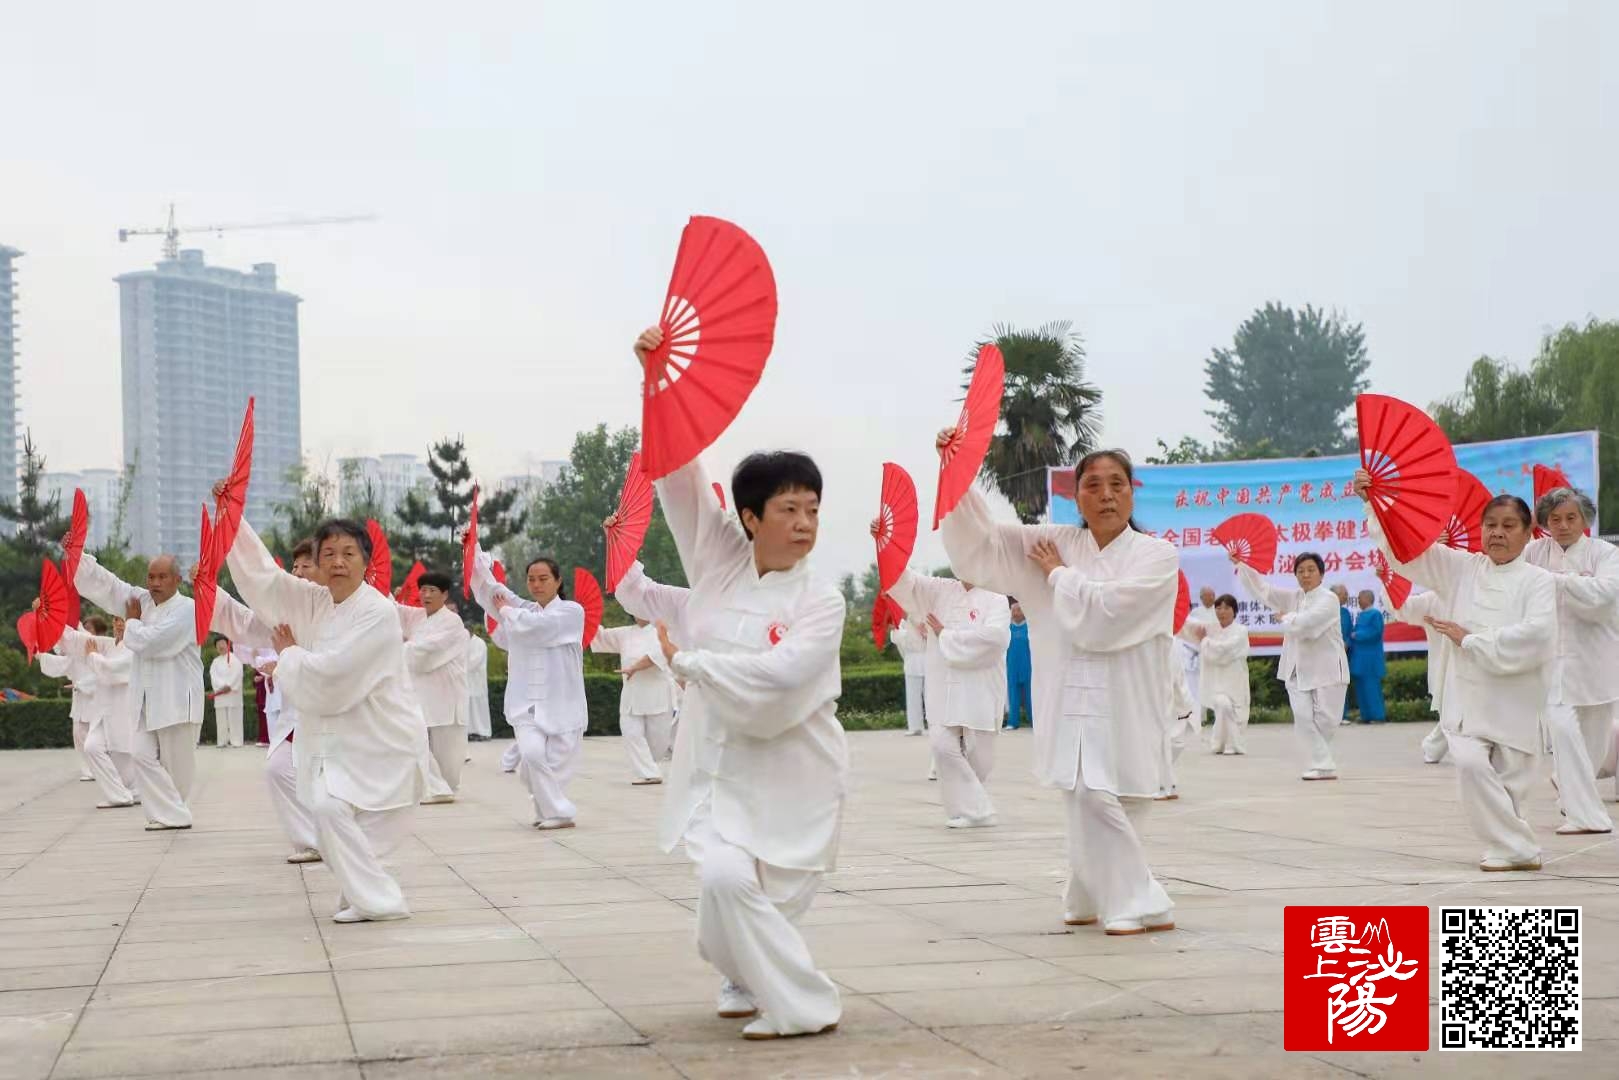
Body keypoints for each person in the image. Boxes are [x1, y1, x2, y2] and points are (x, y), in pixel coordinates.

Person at [627, 325, 846, 1041]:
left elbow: (782, 679)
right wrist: (656, 382)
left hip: (795, 766)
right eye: (787, 509)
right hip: (718, 765)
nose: (804, 523)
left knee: (773, 896)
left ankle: (744, 971)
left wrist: (697, 664)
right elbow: (678, 476)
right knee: (723, 880)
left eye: (811, 508)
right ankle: (802, 1004)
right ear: (749, 517)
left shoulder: (822, 600)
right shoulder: (716, 558)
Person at [940, 445, 1177, 936]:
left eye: (1117, 484)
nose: (1106, 496)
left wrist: (1058, 576)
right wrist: (957, 476)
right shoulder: (1055, 540)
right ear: (1075, 495)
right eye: (1093, 485)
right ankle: (1130, 897)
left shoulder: (1157, 555)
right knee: (1085, 791)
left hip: (1127, 697)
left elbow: (1108, 616)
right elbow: (983, 548)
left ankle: (1098, 891)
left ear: (1133, 492)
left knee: (1120, 799)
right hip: (1070, 696)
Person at [225, 513, 427, 920]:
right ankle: (371, 897)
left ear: (365, 561)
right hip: (338, 737)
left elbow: (335, 675)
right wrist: (231, 520)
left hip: (381, 735)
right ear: (316, 561)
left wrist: (289, 655)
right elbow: (266, 579)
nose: (338, 561)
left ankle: (374, 899)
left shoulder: (377, 612)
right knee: (326, 810)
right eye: (329, 553)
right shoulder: (316, 602)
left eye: (348, 553)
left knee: (337, 814)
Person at [1357, 473, 1555, 871]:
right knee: (1468, 761)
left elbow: (1538, 634)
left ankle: (1511, 846)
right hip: (1467, 692)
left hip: (1516, 694)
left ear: (1528, 532)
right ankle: (1517, 844)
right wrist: (1373, 503)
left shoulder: (1539, 581)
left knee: (1510, 781)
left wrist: (1472, 640)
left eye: (1508, 526)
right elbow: (1407, 552)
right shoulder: (1461, 568)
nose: (1497, 534)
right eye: (1491, 525)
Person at [208, 538, 324, 864]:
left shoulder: (334, 608)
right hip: (297, 712)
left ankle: (328, 838)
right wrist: (209, 589)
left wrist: (287, 657)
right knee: (280, 768)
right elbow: (244, 622)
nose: (298, 573)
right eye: (295, 567)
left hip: (329, 710)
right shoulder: (286, 612)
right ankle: (314, 840)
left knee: (302, 773)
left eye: (306, 566)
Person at [72, 552, 202, 830]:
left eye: (162, 577)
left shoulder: (187, 609)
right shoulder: (141, 601)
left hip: (177, 699)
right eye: (151, 577)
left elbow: (151, 642)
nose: (155, 582)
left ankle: (174, 813)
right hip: (146, 700)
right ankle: (172, 814)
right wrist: (78, 556)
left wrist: (131, 622)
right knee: (140, 754)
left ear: (177, 580)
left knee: (178, 768)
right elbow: (109, 586)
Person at [881, 557, 1011, 829]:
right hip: (944, 684)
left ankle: (971, 805)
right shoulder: (938, 589)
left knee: (981, 757)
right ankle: (975, 810)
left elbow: (996, 638)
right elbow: (907, 582)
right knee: (941, 744)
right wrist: (885, 546)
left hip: (981, 685)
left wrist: (946, 635)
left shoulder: (996, 598)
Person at [469, 550, 587, 830]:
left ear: (558, 581)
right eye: (531, 579)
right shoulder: (523, 609)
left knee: (549, 768)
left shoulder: (571, 612)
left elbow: (539, 628)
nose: (536, 584)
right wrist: (474, 553)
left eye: (543, 578)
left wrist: (507, 611)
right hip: (527, 704)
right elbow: (491, 592)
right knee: (532, 756)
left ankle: (548, 812)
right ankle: (560, 812)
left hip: (562, 704)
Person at [1527, 486, 1619, 835]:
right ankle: (1586, 816)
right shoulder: (1533, 553)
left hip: (1597, 658)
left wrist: (1556, 582)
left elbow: (1604, 595)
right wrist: (1576, 583)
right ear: (1544, 522)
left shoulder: (1604, 553)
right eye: (1555, 519)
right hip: (1550, 659)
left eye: (1570, 517)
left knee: (1593, 743)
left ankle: (1571, 795)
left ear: (1585, 519)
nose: (1563, 525)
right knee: (1562, 729)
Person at [1235, 553, 1349, 780]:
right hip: (1296, 669)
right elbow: (1263, 591)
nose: (1305, 575)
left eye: (1310, 570)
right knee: (1303, 716)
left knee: (1327, 720)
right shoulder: (1293, 597)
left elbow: (1308, 625)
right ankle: (1323, 764)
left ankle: (1321, 761)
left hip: (1327, 669)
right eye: (1300, 571)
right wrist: (1243, 564)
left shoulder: (1329, 599)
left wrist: (1287, 618)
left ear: (1321, 574)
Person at [44, 617, 138, 805]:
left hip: (123, 709)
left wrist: (93, 656)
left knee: (123, 753)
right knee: (92, 747)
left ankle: (132, 792)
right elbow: (76, 640)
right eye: (117, 620)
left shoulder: (135, 649)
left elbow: (113, 671)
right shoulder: (110, 644)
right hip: (104, 711)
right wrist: (47, 616)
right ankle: (121, 795)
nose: (119, 624)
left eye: (124, 620)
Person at [396, 571, 471, 799]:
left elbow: (426, 652)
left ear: (444, 595)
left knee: (448, 756)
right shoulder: (418, 617)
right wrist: (384, 593)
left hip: (447, 693)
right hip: (421, 692)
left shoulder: (452, 622)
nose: (426, 595)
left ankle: (444, 787)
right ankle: (436, 788)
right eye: (423, 590)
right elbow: (394, 611)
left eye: (432, 591)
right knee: (413, 737)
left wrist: (399, 649)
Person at [591, 616, 679, 785]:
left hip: (657, 695)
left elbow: (656, 656)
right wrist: (587, 618)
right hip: (631, 695)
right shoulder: (625, 633)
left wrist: (634, 667)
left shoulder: (661, 631)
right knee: (631, 732)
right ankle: (650, 773)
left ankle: (651, 766)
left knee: (658, 744)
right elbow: (600, 636)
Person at [1381, 584, 1452, 764]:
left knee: (1458, 717)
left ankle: (1433, 747)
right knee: (1453, 717)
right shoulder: (1432, 599)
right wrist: (1389, 582)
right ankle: (1433, 748)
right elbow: (1401, 608)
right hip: (1445, 670)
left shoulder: (1477, 591)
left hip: (1477, 668)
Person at [1190, 594, 1250, 754]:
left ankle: (1225, 744)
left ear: (1234, 611)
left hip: (1235, 678)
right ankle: (1227, 744)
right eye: (1218, 608)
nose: (1222, 611)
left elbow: (1226, 649)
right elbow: (1211, 653)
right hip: (1216, 679)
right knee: (1222, 705)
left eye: (1226, 608)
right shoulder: (1211, 630)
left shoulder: (1241, 631)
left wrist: (1206, 642)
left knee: (1234, 712)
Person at [1177, 586, 1218, 727]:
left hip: (1214, 653)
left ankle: (1218, 716)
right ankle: (1198, 717)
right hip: (1195, 655)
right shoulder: (1195, 614)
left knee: (1215, 686)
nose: (1210, 598)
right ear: (1201, 598)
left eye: (1212, 595)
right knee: (1195, 687)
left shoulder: (1219, 612)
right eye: (1207, 595)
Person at [1350, 591, 1387, 723]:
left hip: (1370, 659)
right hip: (1359, 659)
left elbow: (1375, 633)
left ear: (1367, 599)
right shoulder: (1361, 615)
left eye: (1359, 598)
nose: (1358, 601)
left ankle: (1377, 716)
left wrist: (1357, 635)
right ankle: (1366, 715)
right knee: (1361, 688)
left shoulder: (1375, 614)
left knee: (1372, 688)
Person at [890, 612, 928, 737]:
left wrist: (923, 631)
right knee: (913, 696)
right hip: (912, 661)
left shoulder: (925, 617)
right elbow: (897, 639)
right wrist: (895, 629)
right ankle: (915, 726)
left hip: (928, 659)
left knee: (931, 695)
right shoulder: (902, 623)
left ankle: (935, 724)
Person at [208, 638, 245, 747]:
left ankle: (236, 741)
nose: (221, 646)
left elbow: (238, 673)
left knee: (235, 718)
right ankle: (222, 741)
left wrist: (229, 685)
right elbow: (213, 676)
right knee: (221, 719)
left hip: (232, 693)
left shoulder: (236, 659)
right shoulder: (215, 662)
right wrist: (222, 686)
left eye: (222, 643)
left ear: (227, 644)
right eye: (218, 645)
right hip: (220, 694)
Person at [1005, 599, 1033, 731]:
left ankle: (1034, 720)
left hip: (1028, 667)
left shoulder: (1030, 628)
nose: (1016, 613)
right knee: (1013, 694)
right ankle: (1013, 722)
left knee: (1030, 695)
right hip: (1012, 667)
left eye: (1018, 610)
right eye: (1013, 611)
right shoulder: (1007, 628)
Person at [1331, 585, 1355, 721]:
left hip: (1343, 655)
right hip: (1327, 654)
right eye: (1343, 594)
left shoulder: (1345, 612)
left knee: (1341, 684)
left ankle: (1342, 715)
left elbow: (1350, 633)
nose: (1346, 596)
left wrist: (1347, 644)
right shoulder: (1325, 611)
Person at [467, 633, 492, 741]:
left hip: (477, 681)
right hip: (467, 681)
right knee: (469, 708)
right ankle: (471, 732)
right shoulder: (464, 642)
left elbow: (474, 661)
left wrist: (461, 665)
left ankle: (483, 732)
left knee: (479, 708)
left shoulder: (480, 643)